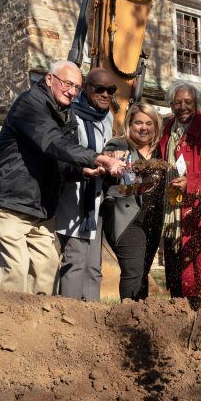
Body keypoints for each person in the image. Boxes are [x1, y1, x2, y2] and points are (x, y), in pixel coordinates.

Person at [0, 60, 126, 295]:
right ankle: (11, 329)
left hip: (41, 209)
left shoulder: (66, 114)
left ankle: (42, 328)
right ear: (49, 79)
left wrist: (82, 171)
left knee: (48, 270)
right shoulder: (30, 104)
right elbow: (52, 142)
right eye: (67, 84)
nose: (72, 91)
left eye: (77, 87)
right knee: (16, 272)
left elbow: (62, 160)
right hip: (10, 202)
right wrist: (99, 159)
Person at [54, 68, 116, 301]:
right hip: (74, 198)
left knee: (93, 267)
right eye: (98, 88)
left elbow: (105, 149)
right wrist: (90, 166)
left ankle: (93, 320)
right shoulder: (70, 115)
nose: (105, 94)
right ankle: (70, 319)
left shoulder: (107, 117)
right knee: (75, 261)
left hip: (95, 201)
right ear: (86, 88)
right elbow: (66, 156)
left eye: (111, 90)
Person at [158, 80, 201, 308]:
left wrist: (191, 182)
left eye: (188, 102)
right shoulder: (165, 129)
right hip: (171, 209)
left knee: (199, 272)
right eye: (177, 102)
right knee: (175, 267)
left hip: (197, 209)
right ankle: (178, 317)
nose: (182, 107)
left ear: (197, 104)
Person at [102, 102, 164, 301]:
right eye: (138, 122)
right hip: (127, 219)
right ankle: (127, 317)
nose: (143, 128)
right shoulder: (120, 145)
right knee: (133, 272)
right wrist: (113, 158)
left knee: (143, 273)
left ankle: (140, 319)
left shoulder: (159, 152)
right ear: (130, 124)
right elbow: (108, 159)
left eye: (148, 123)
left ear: (155, 126)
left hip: (153, 220)